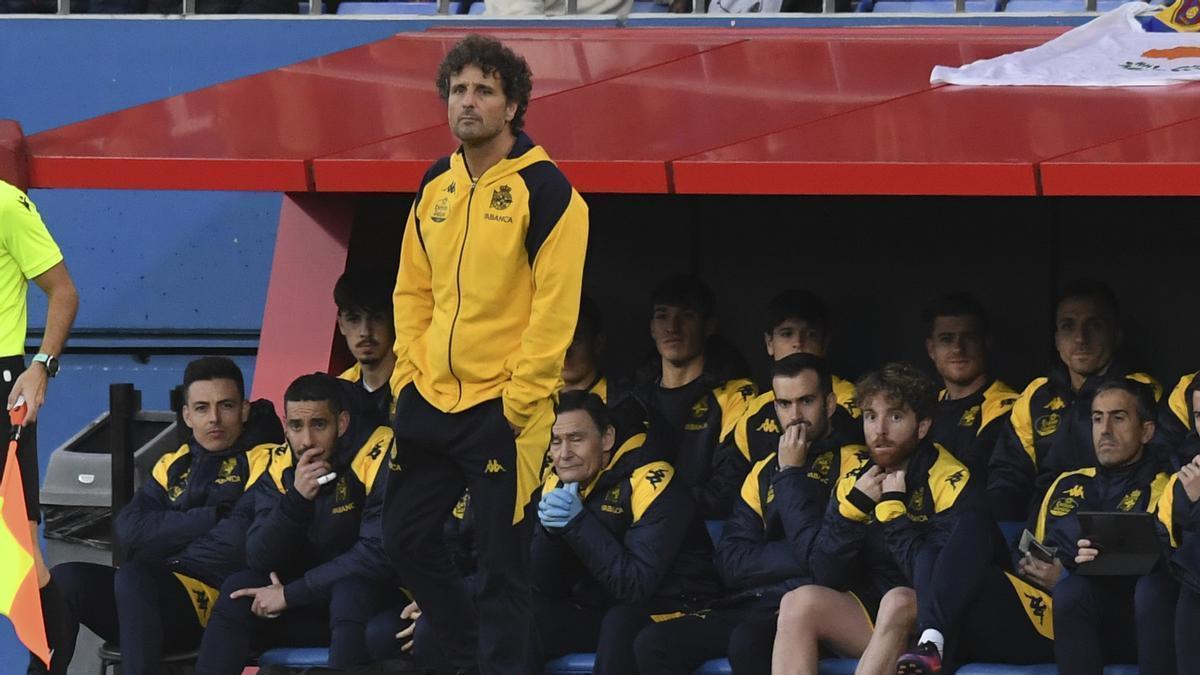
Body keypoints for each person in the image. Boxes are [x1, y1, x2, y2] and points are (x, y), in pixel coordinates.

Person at [381, 34, 588, 675]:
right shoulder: (434, 184)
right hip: (430, 399)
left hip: (503, 410)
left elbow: (555, 315)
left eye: (484, 91)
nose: (468, 102)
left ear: (513, 104)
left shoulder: (550, 192)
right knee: (404, 540)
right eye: (460, 89)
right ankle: (466, 649)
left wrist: (519, 402)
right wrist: (409, 374)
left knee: (504, 568)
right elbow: (411, 288)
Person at [35, 357, 282, 675]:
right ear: (187, 415)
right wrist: (209, 517)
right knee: (65, 578)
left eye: (227, 406)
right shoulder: (175, 463)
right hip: (149, 597)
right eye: (203, 408)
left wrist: (166, 538)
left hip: (213, 600)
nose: (215, 419)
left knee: (136, 574)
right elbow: (127, 529)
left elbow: (238, 544)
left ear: (244, 410)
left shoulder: (268, 459)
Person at [633, 353, 864, 675]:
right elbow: (730, 561)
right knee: (654, 643)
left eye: (806, 401)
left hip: (809, 612)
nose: (795, 416)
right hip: (749, 602)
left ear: (829, 404)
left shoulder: (856, 464)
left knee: (748, 641)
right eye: (784, 404)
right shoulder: (762, 470)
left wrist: (791, 473)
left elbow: (829, 567)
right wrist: (806, 551)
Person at [772, 362, 973, 675]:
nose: (879, 430)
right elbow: (825, 575)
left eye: (895, 417)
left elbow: (937, 580)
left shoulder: (950, 478)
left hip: (941, 622)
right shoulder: (856, 479)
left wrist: (894, 513)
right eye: (870, 416)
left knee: (898, 600)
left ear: (921, 426)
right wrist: (852, 511)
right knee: (799, 602)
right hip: (877, 617)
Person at [194, 373, 397, 673]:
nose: (307, 441)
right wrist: (296, 500)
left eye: (319, 425)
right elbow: (259, 557)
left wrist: (290, 594)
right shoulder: (281, 464)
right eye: (296, 427)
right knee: (239, 588)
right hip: (307, 603)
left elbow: (375, 555)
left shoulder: (378, 452)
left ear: (341, 424)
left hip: (375, 602)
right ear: (286, 427)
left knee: (350, 589)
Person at [528, 391, 721, 674]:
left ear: (606, 438)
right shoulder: (557, 485)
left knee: (621, 623)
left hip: (679, 605)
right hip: (604, 608)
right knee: (522, 613)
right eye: (555, 442)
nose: (564, 454)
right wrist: (549, 536)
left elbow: (635, 586)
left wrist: (578, 523)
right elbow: (544, 585)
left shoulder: (652, 479)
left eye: (576, 439)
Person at [987, 280, 1161, 521]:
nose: (1080, 338)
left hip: (1109, 523)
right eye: (1068, 326)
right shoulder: (1037, 394)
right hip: (1044, 525)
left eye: (1094, 325)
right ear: (1057, 339)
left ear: (1116, 335)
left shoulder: (1140, 390)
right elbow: (1009, 475)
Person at [0, 180, 79, 671]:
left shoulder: (6, 202)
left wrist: (41, 366)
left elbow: (63, 292)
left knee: (21, 560)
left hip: (4, 386)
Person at [1044, 379, 1174, 675]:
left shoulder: (1166, 487)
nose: (1105, 430)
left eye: (1118, 418)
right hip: (1073, 620)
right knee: (1071, 591)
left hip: (1142, 625)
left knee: (1149, 589)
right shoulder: (1066, 483)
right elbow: (1027, 548)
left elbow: (1171, 564)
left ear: (1146, 431)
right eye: (1097, 418)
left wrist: (1068, 570)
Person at [618, 274, 756, 519]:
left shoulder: (735, 394)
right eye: (662, 316)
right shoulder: (633, 399)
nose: (673, 327)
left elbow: (729, 488)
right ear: (651, 327)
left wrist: (663, 507)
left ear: (709, 325)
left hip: (707, 527)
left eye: (687, 315)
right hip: (643, 527)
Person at [732, 289, 862, 466]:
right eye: (787, 333)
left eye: (810, 334)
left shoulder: (853, 402)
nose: (798, 343)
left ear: (824, 343)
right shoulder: (753, 413)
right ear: (769, 343)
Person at [922, 292, 1017, 480]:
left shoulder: (1007, 407)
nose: (958, 348)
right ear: (931, 349)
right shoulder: (924, 406)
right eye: (947, 339)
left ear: (986, 343)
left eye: (969, 337)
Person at [334, 271, 398, 424]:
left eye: (376, 318)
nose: (365, 332)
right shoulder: (337, 393)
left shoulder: (418, 382)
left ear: (393, 319)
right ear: (341, 324)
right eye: (354, 319)